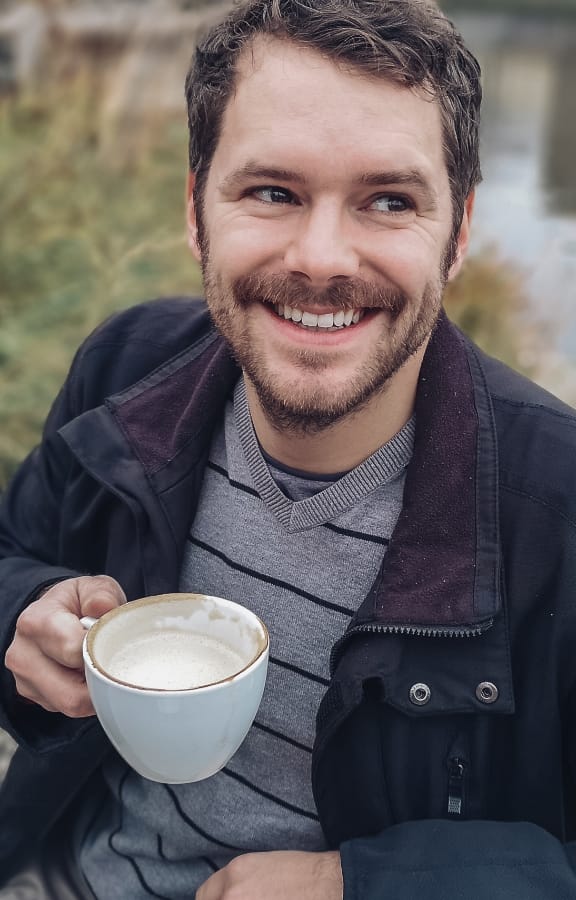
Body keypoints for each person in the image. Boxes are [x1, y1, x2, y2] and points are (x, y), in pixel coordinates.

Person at [2, 0, 576, 896]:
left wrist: (361, 884)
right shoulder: (123, 368)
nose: (320, 258)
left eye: (388, 200)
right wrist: (23, 612)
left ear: (458, 235)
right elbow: (10, 555)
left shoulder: (559, 506)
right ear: (196, 211)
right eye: (273, 192)